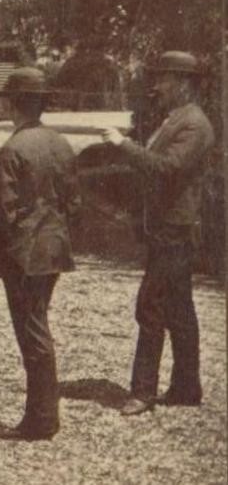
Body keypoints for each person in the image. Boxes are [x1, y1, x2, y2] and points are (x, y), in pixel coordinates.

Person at [101, 51, 214, 415]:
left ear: (182, 83)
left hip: (175, 230)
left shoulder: (194, 125)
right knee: (179, 308)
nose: (157, 86)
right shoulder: (174, 119)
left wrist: (123, 145)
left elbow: (167, 168)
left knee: (150, 305)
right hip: (166, 228)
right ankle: (186, 387)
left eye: (163, 79)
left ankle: (143, 392)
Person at [0, 67, 81, 440]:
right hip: (53, 251)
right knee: (38, 325)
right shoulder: (60, 143)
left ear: (12, 104)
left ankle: (42, 420)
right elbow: (74, 204)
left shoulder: (13, 149)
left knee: (33, 335)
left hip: (22, 255)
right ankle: (41, 416)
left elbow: (1, 214)